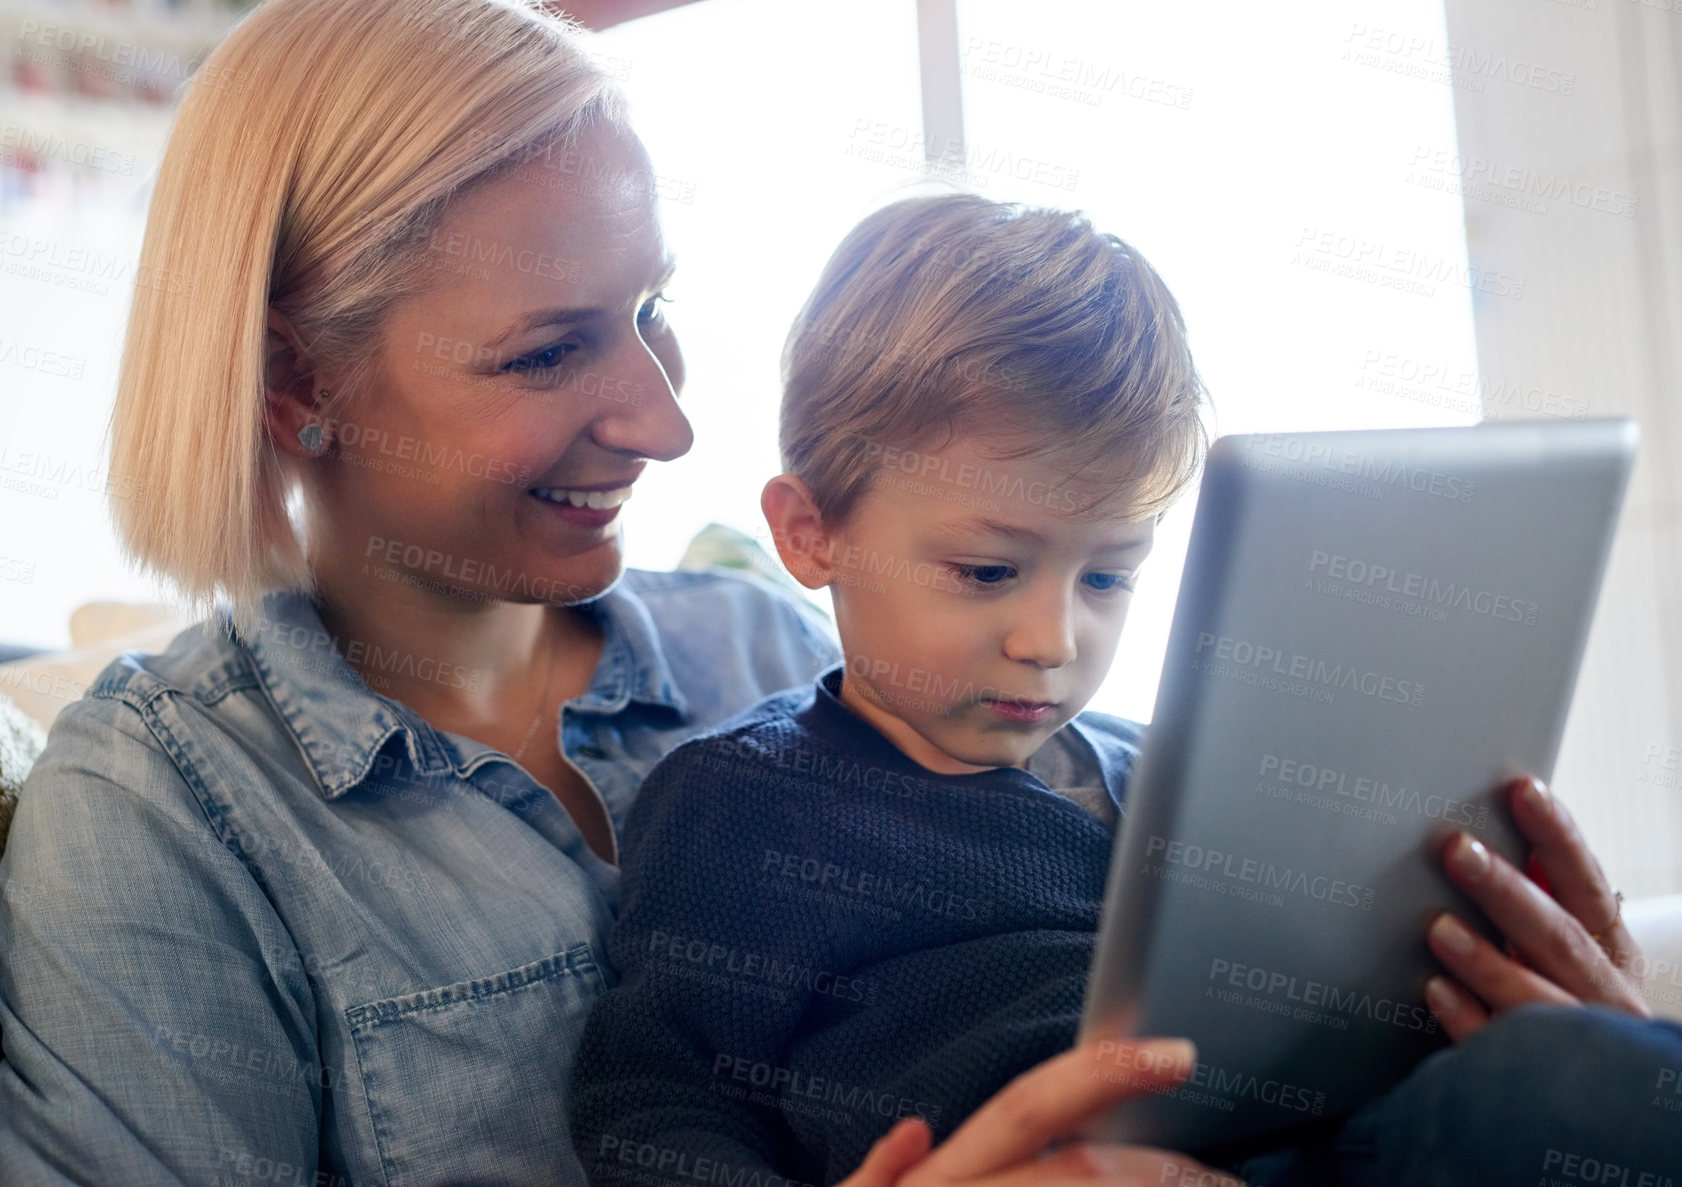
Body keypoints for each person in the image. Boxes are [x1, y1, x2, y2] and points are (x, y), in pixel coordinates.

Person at [0, 0, 1668, 1184]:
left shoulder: (785, 650)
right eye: (547, 349)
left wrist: (1502, 1005)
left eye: (653, 308)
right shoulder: (165, 824)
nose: (666, 418)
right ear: (296, 384)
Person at [569, 194, 1682, 1187]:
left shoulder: (1178, 774)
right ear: (809, 532)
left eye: (1108, 574)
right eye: (985, 570)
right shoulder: (742, 803)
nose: (1052, 638)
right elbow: (656, 1102)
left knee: (1572, 1074)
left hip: (1328, 1142)